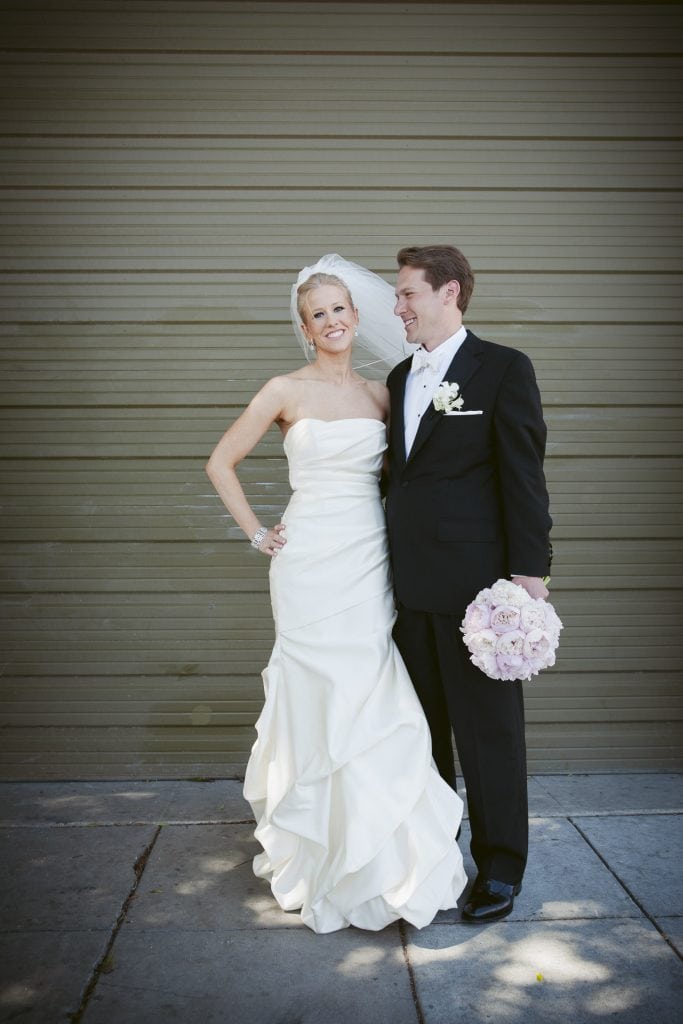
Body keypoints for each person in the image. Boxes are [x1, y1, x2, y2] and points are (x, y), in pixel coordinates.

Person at [205, 254, 467, 934]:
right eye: (317, 313)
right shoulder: (283, 390)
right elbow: (219, 462)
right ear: (304, 326)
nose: (331, 321)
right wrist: (258, 532)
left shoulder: (384, 396)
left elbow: (409, 479)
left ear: (357, 316)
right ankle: (314, 851)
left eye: (339, 309)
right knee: (318, 687)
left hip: (369, 555)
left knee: (373, 687)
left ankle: (388, 858)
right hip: (309, 561)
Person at [385, 244, 553, 923]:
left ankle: (500, 868)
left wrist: (527, 577)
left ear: (448, 293)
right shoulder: (398, 378)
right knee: (420, 735)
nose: (396, 306)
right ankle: (432, 858)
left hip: (477, 593)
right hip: (405, 590)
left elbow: (522, 477)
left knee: (488, 736)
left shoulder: (503, 369)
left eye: (406, 294)